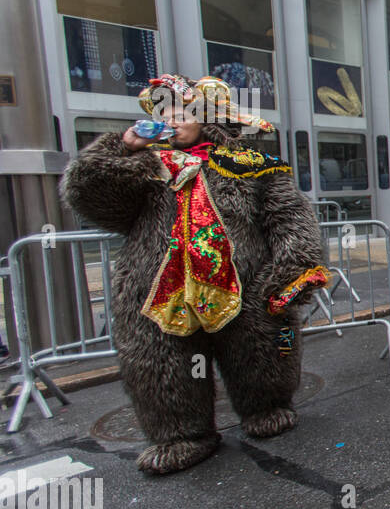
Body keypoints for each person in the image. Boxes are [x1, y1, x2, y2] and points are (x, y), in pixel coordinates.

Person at [61, 74, 327, 474]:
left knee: (260, 349)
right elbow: (87, 196)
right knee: (158, 361)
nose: (171, 119)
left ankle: (266, 405)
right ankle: (182, 432)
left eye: (181, 110)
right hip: (158, 289)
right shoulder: (146, 170)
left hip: (244, 285)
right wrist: (124, 148)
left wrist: (295, 265)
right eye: (163, 112)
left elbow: (287, 212)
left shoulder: (248, 163)